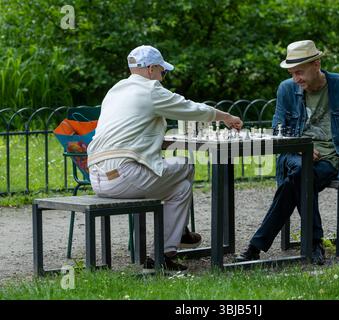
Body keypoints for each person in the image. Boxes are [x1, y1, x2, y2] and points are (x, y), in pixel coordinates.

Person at [87, 45, 243, 272]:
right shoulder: (150, 89)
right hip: (124, 176)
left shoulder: (115, 90)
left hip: (97, 177)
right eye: (163, 72)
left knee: (180, 188)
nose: (163, 77)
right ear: (151, 69)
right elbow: (190, 108)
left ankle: (166, 253)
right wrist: (226, 117)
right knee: (186, 165)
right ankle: (178, 235)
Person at [236, 40, 339, 265]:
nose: (295, 79)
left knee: (300, 178)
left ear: (316, 64)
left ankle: (256, 246)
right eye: (292, 73)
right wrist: (302, 150)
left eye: (299, 72)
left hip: (331, 159)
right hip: (294, 155)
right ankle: (313, 243)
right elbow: (278, 130)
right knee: (301, 172)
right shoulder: (287, 89)